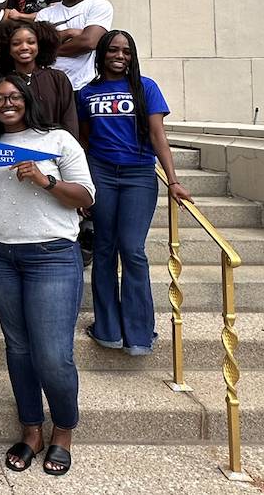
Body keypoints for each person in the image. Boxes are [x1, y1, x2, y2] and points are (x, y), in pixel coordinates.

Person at [0, 74, 95, 477]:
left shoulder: (58, 140)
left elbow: (86, 196)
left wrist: (46, 180)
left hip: (52, 256)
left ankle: (63, 429)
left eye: (13, 97)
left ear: (27, 100)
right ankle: (31, 430)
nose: (6, 103)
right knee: (19, 348)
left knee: (52, 354)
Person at [79, 30, 191, 357]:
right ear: (101, 54)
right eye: (113, 50)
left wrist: (173, 180)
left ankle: (139, 334)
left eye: (126, 51)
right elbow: (86, 141)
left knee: (131, 250)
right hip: (101, 172)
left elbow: (158, 136)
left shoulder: (146, 88)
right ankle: (108, 329)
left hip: (138, 174)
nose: (120, 55)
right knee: (103, 249)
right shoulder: (87, 93)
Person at [35, 0, 114, 91]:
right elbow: (37, 46)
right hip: (52, 87)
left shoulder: (99, 6)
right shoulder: (45, 14)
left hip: (87, 86)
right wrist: (69, 33)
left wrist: (50, 50)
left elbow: (88, 42)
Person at [0, 20, 78, 138]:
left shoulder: (58, 78)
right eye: (16, 43)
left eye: (31, 42)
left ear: (39, 45)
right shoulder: (3, 83)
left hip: (55, 147)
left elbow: (69, 120)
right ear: (8, 48)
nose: (24, 47)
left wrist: (69, 148)